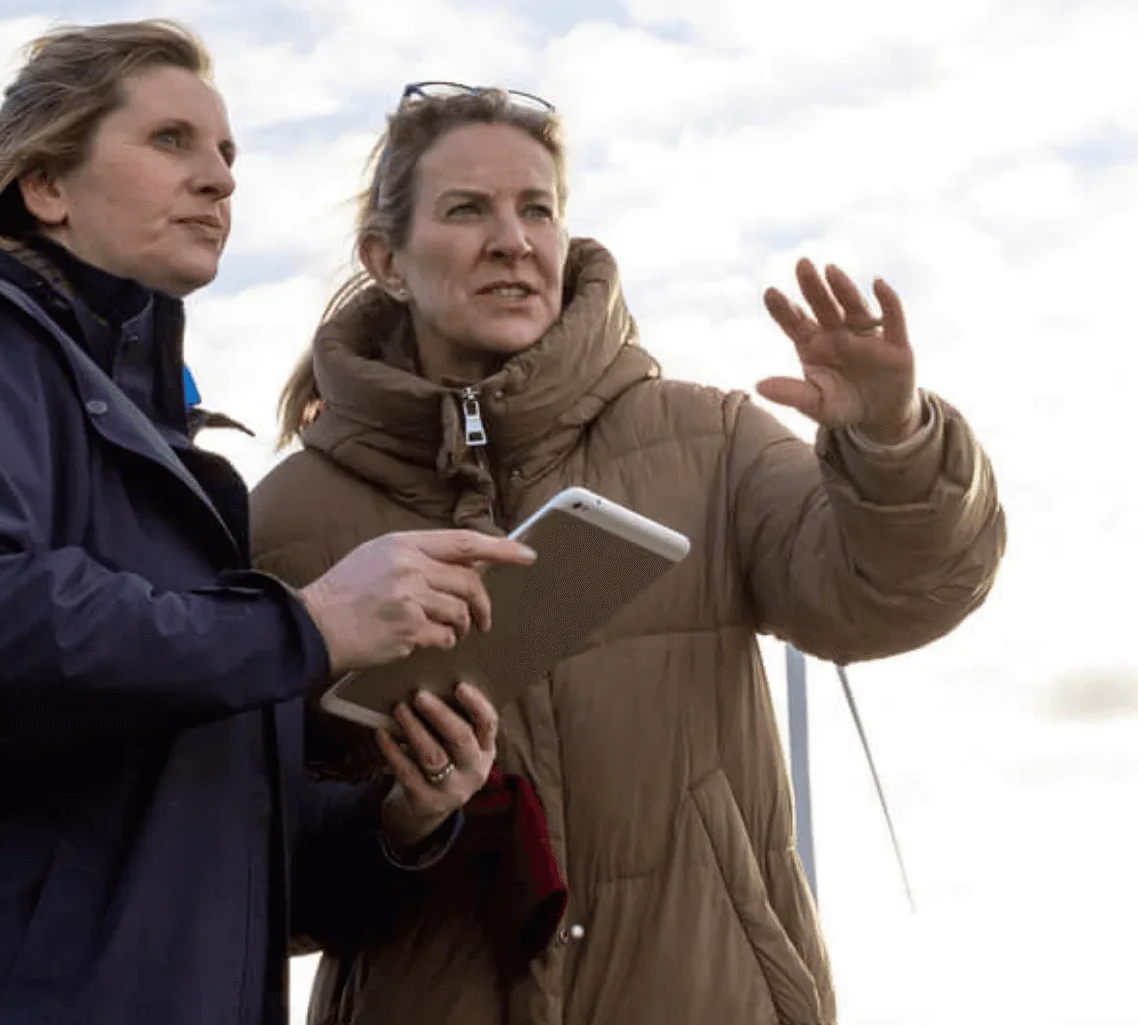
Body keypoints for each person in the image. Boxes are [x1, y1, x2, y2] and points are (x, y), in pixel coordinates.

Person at [0, 22, 533, 1025]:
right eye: (171, 141)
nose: (220, 180)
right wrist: (304, 627)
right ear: (46, 185)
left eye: (228, 155)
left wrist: (405, 811)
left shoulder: (155, 463)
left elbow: (213, 861)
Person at [251, 84, 1006, 1025]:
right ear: (385, 260)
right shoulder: (285, 518)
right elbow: (250, 873)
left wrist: (893, 443)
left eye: (537, 210)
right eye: (466, 210)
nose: (513, 241)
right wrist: (403, 819)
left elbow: (890, 596)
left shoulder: (710, 439)